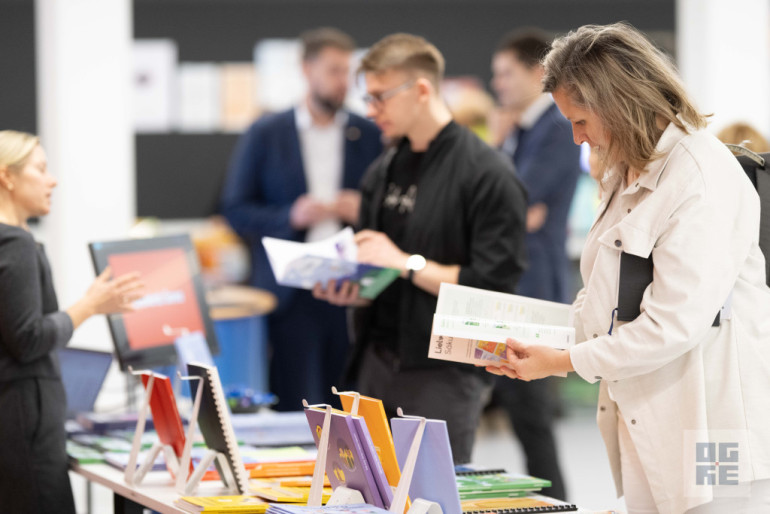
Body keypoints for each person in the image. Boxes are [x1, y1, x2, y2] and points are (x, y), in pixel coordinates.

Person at [485, 23, 770, 513]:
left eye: (581, 121)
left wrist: (562, 362)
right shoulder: (626, 168)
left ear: (618, 102)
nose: (577, 138)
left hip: (712, 425)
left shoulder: (701, 177)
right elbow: (602, 295)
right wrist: (541, 340)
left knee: (716, 506)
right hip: (647, 410)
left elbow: (672, 326)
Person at [312, 33, 528, 464]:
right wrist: (351, 287)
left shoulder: (487, 174)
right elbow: (378, 268)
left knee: (431, 500)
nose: (370, 111)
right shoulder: (382, 171)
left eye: (380, 98)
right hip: (373, 364)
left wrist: (405, 263)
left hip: (443, 375)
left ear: (422, 90)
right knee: (362, 496)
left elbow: (490, 287)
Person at [221, 28, 382, 411]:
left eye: (348, 71)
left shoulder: (369, 134)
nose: (344, 82)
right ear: (306, 70)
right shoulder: (266, 133)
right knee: (295, 403)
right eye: (334, 70)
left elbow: (390, 210)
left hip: (351, 286)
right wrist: (288, 215)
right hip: (289, 291)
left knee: (350, 404)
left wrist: (362, 209)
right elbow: (234, 209)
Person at [0, 130, 143, 513]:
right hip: (24, 420)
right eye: (41, 169)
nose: (53, 180)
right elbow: (28, 338)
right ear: (7, 177)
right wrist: (91, 305)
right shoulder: (14, 244)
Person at [488, 29, 583, 499]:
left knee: (531, 417)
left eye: (505, 73)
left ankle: (558, 504)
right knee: (521, 413)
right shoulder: (520, 131)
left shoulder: (556, 129)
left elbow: (512, 207)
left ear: (536, 72)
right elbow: (511, 210)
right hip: (510, 285)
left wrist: (514, 209)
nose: (498, 84)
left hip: (532, 290)